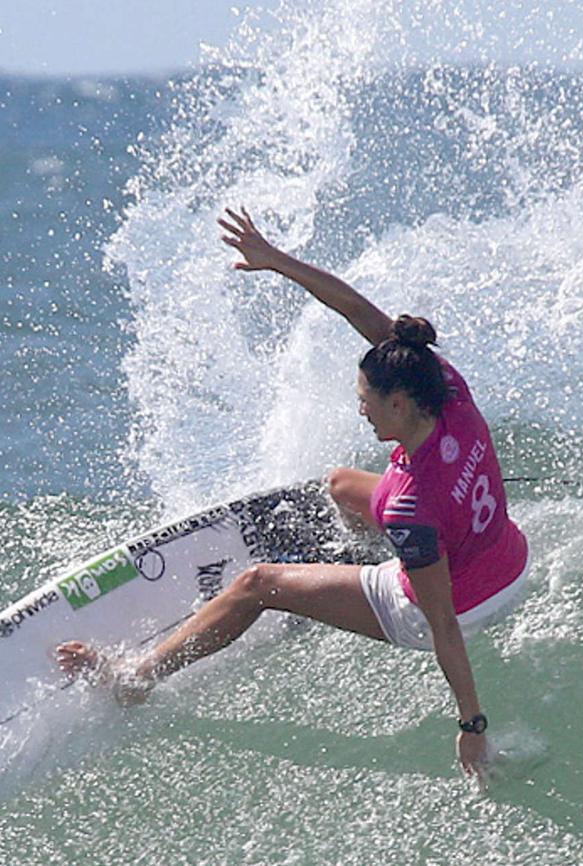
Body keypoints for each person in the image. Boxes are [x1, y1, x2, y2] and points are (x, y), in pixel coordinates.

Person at [58, 207, 529, 779]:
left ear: (398, 404)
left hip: (454, 605)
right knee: (338, 484)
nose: (360, 407)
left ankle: (136, 679)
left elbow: (443, 627)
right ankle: (348, 568)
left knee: (259, 583)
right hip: (510, 561)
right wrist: (276, 261)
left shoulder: (407, 504)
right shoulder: (444, 390)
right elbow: (357, 310)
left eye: (367, 400)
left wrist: (471, 724)